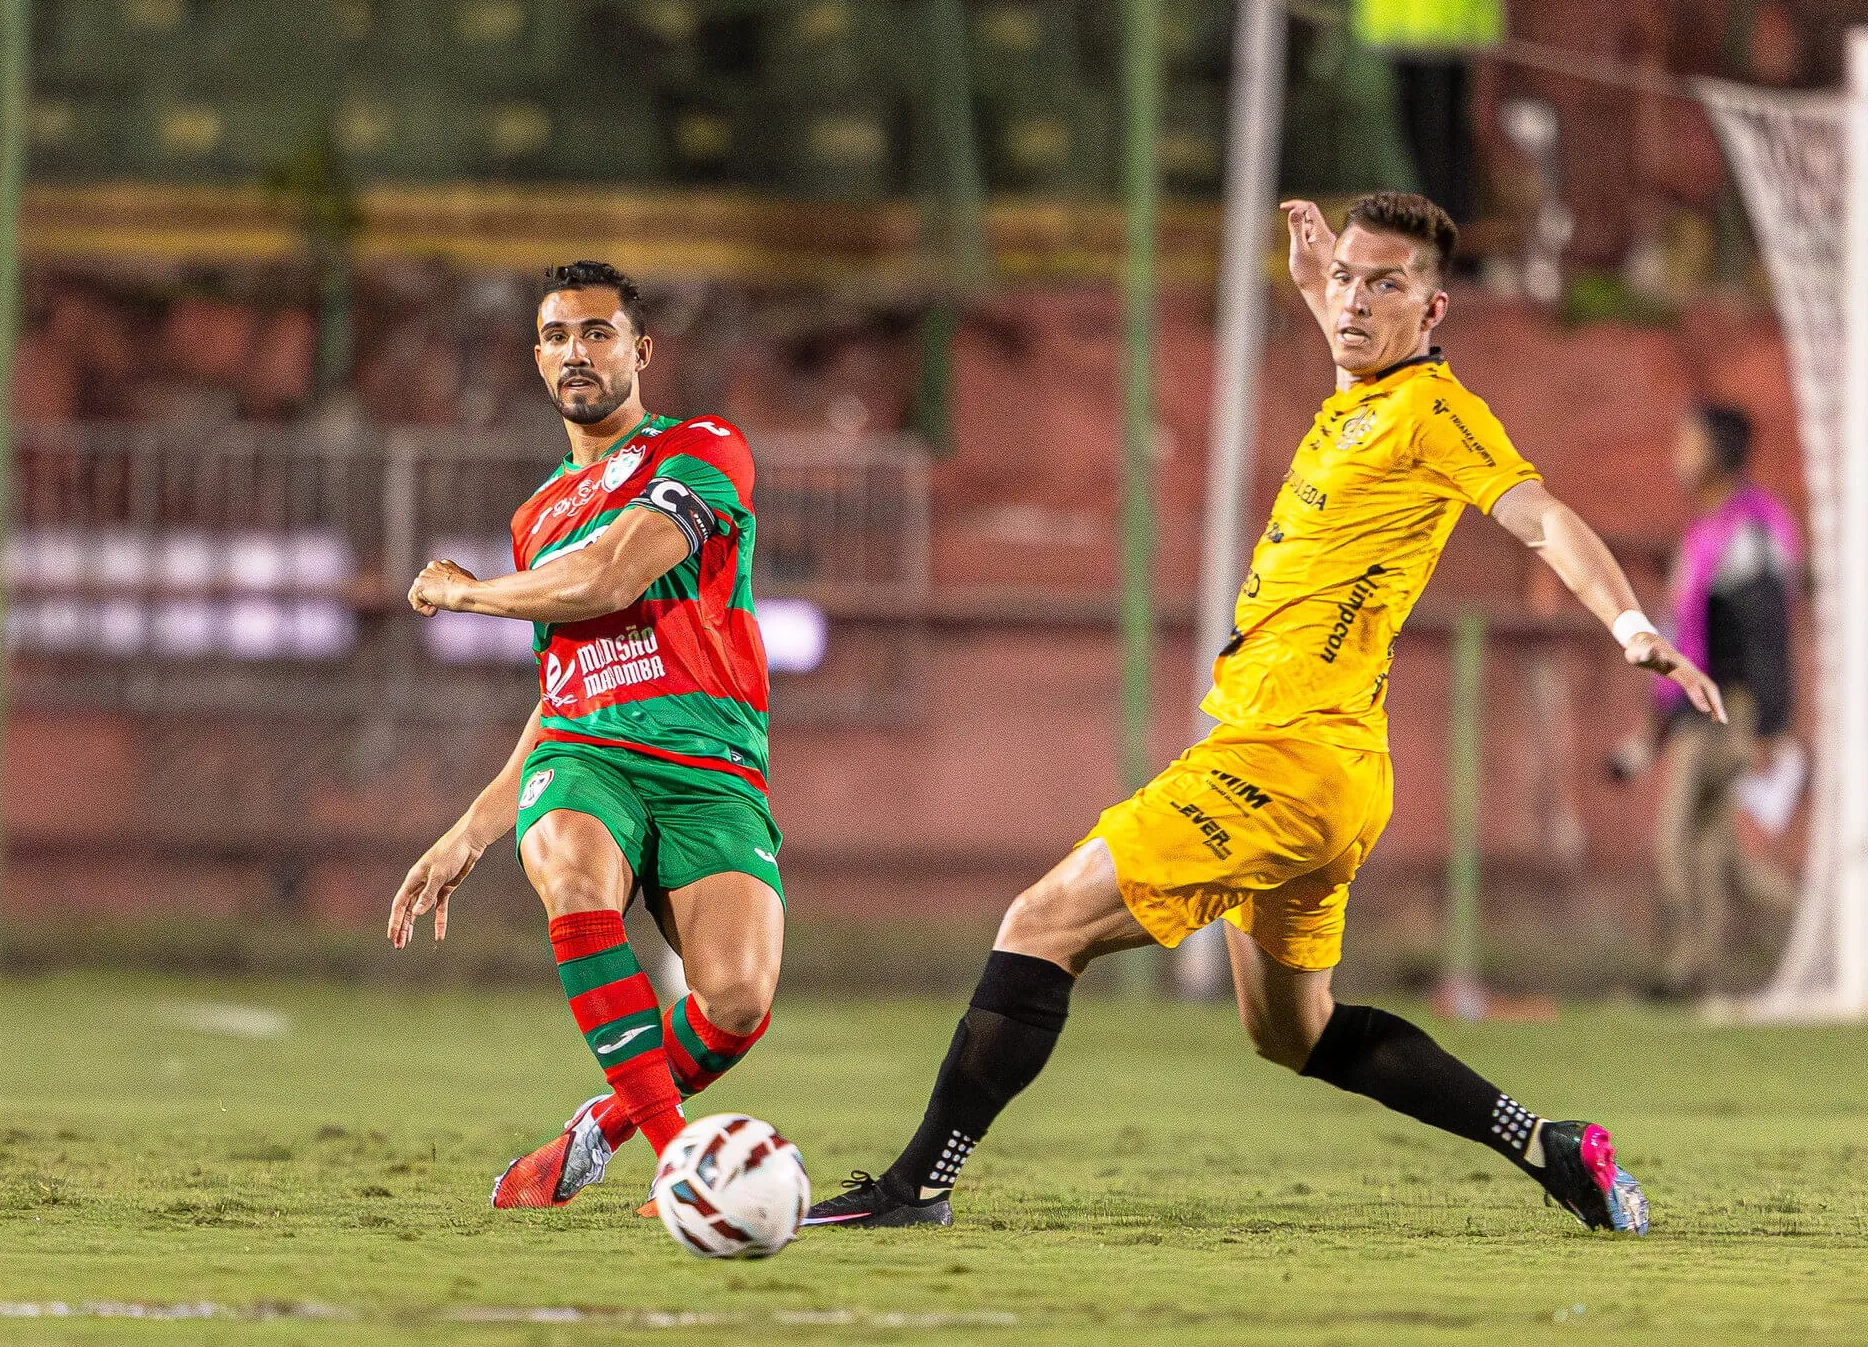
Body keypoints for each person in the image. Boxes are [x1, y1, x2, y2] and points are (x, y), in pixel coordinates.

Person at [805, 192, 1727, 1237]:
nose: (1355, 301)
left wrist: (1627, 625)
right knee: (1291, 1032)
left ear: (1431, 317)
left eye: (1388, 286)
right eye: (1347, 279)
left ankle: (914, 1184)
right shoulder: (1359, 399)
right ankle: (1545, 1145)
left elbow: (1539, 515)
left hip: (1281, 763)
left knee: (1038, 923)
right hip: (1325, 769)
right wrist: (1314, 278)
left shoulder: (1435, 413)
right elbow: (1345, 333)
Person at [386, 261, 784, 1212]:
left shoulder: (704, 448)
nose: (577, 351)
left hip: (709, 765)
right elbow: (557, 693)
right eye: (558, 336)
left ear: (638, 350)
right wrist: (469, 830)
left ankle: (594, 1131)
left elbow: (610, 576)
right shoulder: (536, 517)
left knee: (735, 1005)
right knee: (571, 863)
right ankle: (681, 1156)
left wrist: (466, 590)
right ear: (537, 358)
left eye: (597, 332)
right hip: (587, 756)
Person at [1649, 404, 1801, 997]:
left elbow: (1768, 630)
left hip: (1728, 712)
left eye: (1687, 441)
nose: (1677, 453)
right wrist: (1654, 728)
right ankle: (1721, 966)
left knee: (1680, 838)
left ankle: (1701, 966)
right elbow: (1682, 633)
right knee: (1716, 852)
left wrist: (1771, 722)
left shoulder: (1750, 532)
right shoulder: (1706, 530)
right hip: (1696, 709)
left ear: (1715, 454)